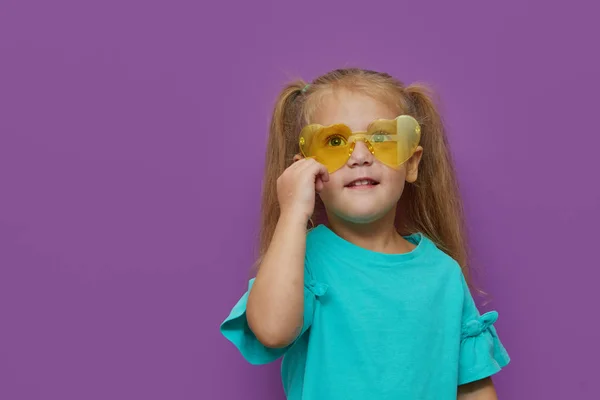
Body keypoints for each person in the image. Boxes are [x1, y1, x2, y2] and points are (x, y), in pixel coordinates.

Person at [220, 68, 510, 399]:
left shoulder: (443, 274)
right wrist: (292, 212)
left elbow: (472, 385)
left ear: (411, 163)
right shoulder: (302, 261)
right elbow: (272, 331)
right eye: (334, 142)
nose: (360, 157)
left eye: (382, 139)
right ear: (306, 171)